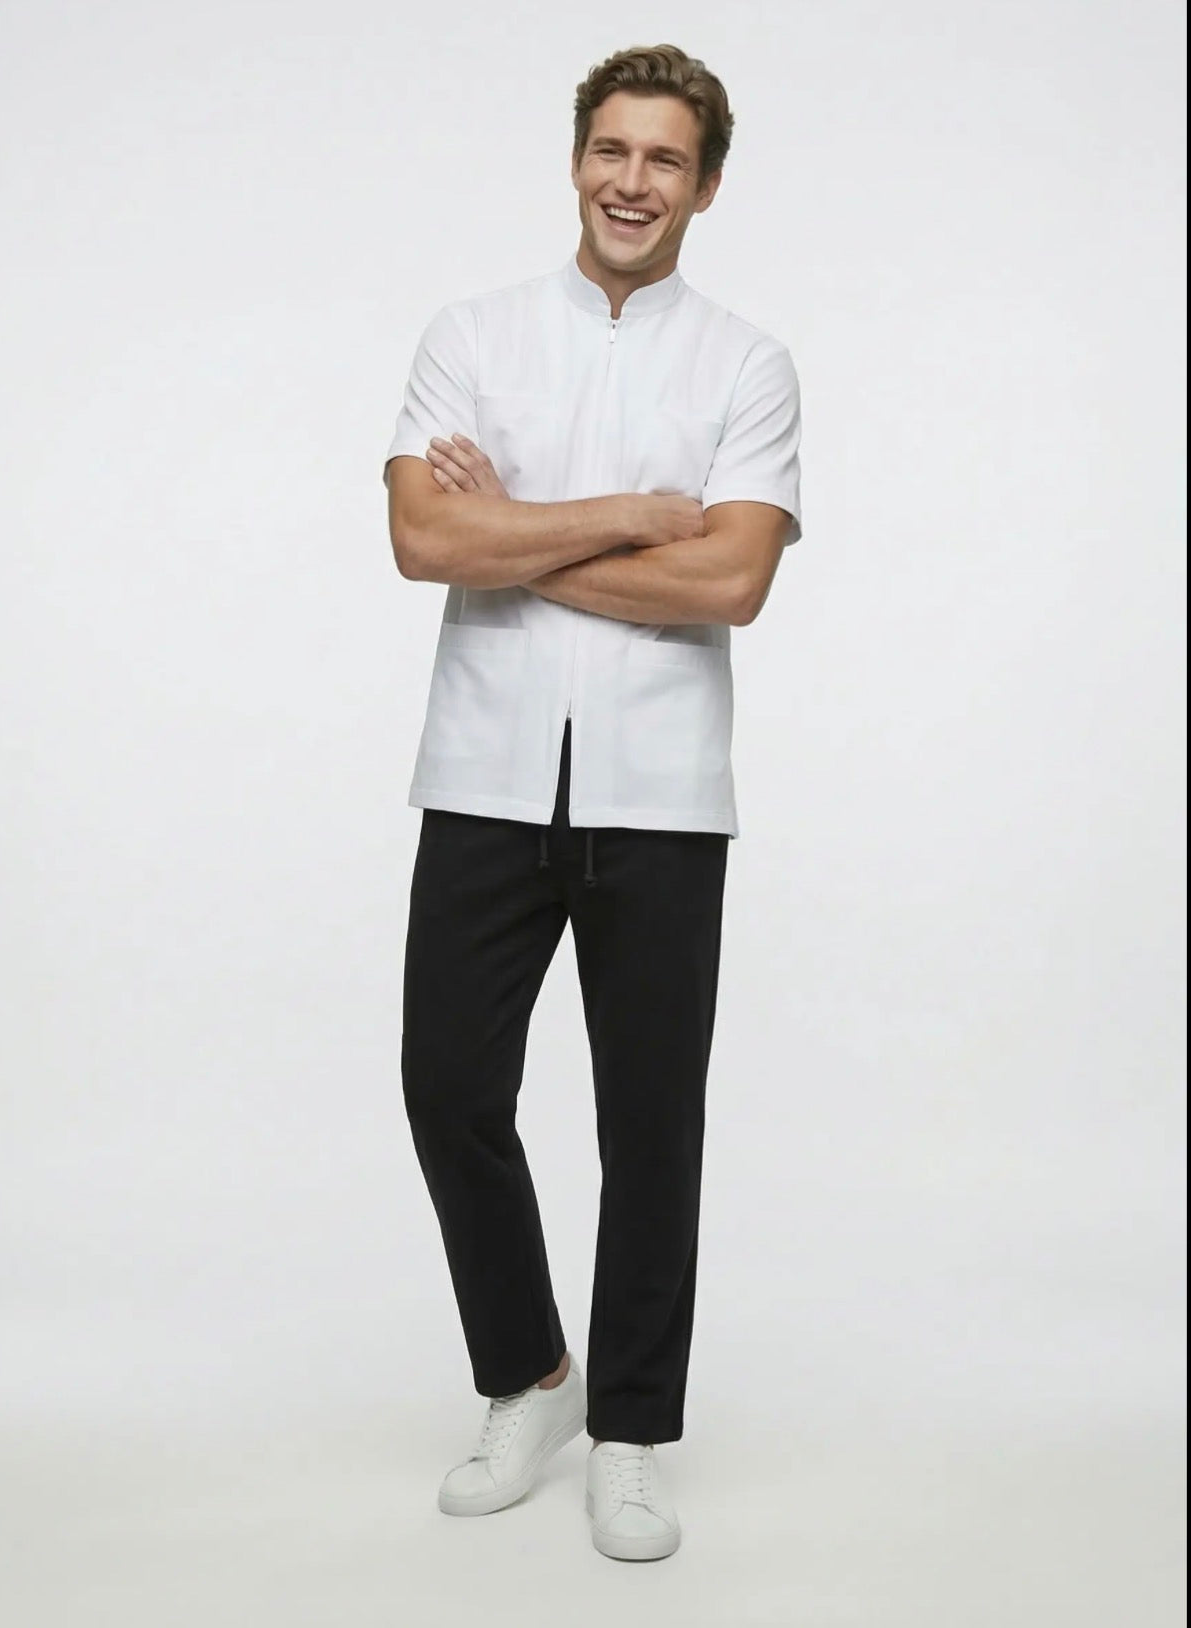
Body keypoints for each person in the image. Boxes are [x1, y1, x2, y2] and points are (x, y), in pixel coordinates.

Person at [382, 42, 803, 1563]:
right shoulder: (470, 335)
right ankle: (529, 1376)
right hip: (485, 774)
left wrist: (512, 528)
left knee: (651, 1123)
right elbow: (423, 544)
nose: (633, 182)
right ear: (576, 160)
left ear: (706, 185)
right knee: (448, 1086)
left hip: (661, 793)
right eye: (612, 151)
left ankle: (628, 1428)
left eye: (665, 159)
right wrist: (629, 516)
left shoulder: (746, 366)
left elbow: (732, 581)